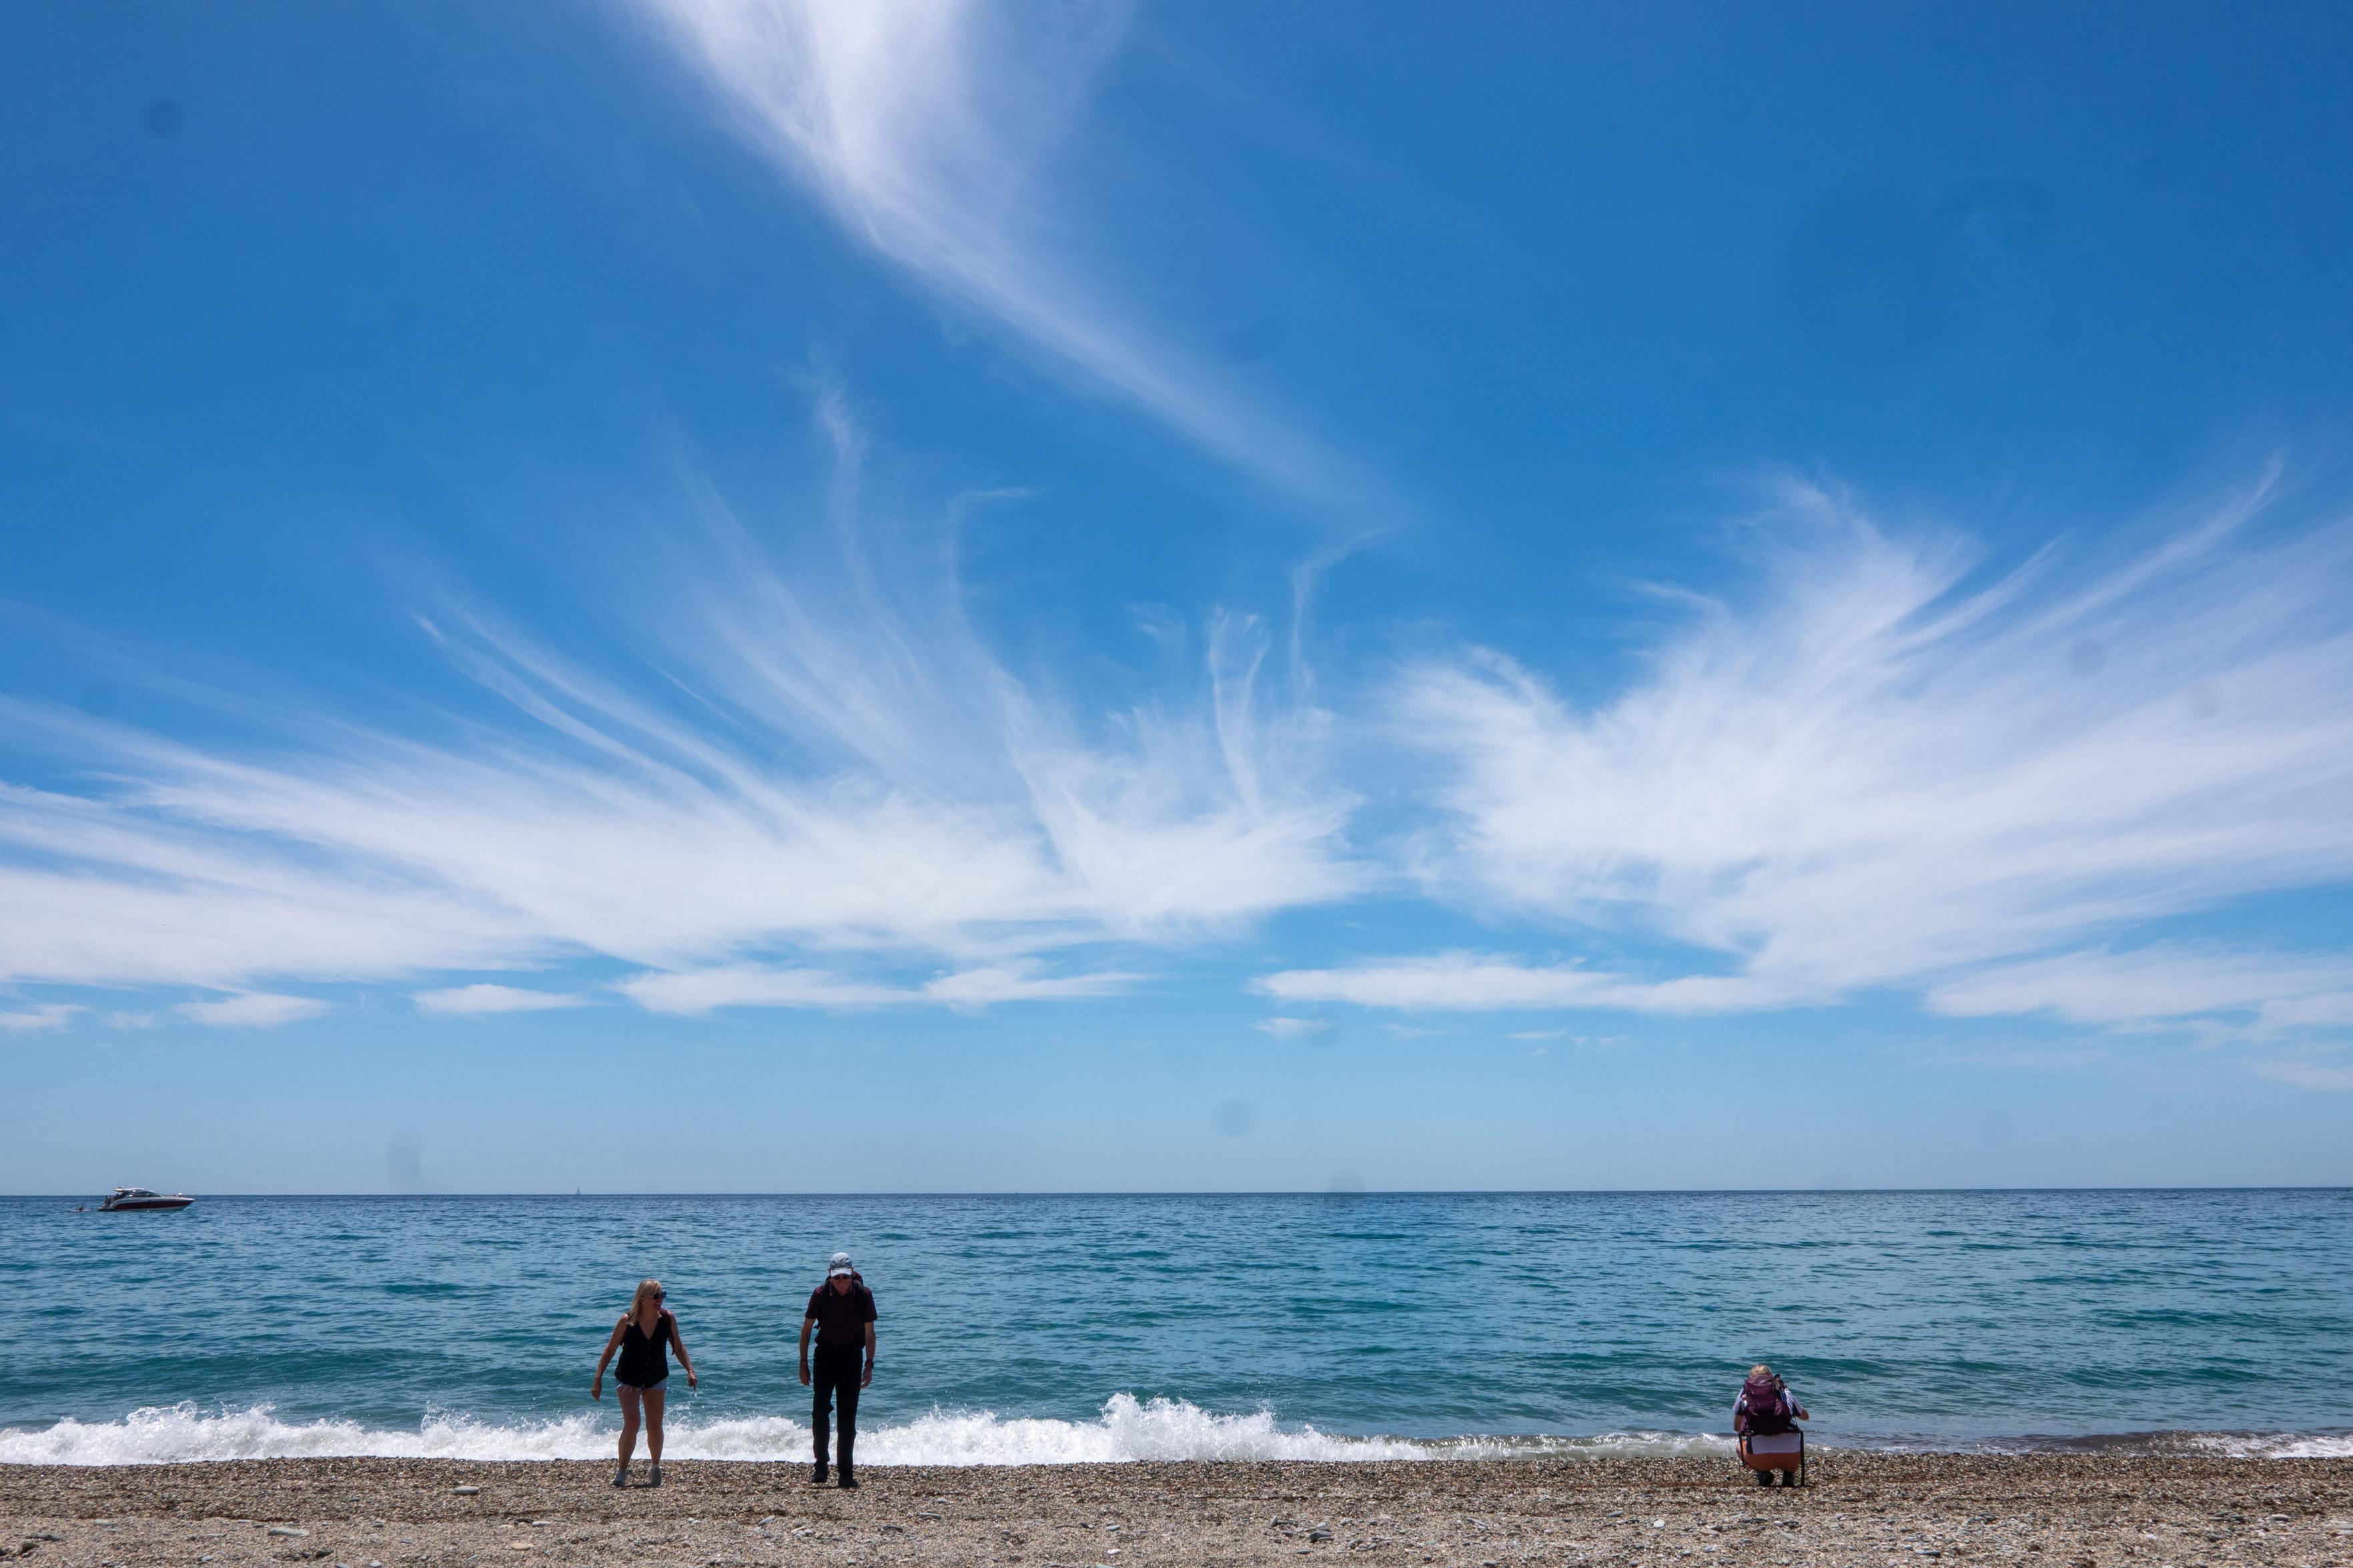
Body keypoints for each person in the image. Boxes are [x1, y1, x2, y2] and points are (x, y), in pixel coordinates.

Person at [592, 1278, 697, 1489]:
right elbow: (610, 1350)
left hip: (656, 1377)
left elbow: (679, 1348)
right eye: (656, 1296)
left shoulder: (667, 1320)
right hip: (628, 1378)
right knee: (632, 1423)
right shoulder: (627, 1321)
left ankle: (656, 1468)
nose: (660, 1300)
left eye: (662, 1295)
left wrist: (690, 1370)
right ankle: (622, 1471)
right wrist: (598, 1379)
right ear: (642, 1299)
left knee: (654, 1426)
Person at [799, 1251, 876, 1489]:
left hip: (852, 1358)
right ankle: (821, 1465)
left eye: (845, 1277)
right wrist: (802, 1363)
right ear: (829, 1276)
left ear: (852, 1274)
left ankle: (846, 1473)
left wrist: (869, 1364)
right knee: (820, 1412)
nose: (841, 1282)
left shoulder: (863, 1295)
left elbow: (870, 1333)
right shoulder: (820, 1295)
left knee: (847, 1418)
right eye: (837, 1278)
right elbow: (806, 1330)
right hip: (825, 1357)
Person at [1733, 1363, 1809, 1486]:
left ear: (1751, 1379)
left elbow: (1737, 1428)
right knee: (1791, 1447)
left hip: (1759, 1458)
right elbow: (1805, 1417)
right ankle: (1789, 1474)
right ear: (1771, 1378)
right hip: (1791, 1457)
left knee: (1739, 1446)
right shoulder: (1784, 1391)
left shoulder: (1745, 1394)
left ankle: (1762, 1473)